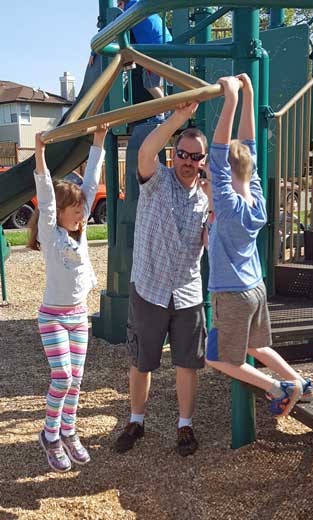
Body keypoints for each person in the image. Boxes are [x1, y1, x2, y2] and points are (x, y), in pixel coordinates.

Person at [204, 74, 313, 418]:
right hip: (255, 288)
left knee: (218, 358)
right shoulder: (257, 198)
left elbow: (220, 150)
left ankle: (277, 388)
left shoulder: (226, 202)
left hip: (233, 292)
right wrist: (249, 94)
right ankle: (301, 383)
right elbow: (248, 146)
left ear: (222, 172)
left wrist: (231, 99)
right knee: (258, 345)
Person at [114, 103, 209, 456]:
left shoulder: (204, 199)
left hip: (186, 292)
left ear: (202, 161)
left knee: (187, 363)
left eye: (195, 157)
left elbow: (211, 241)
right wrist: (179, 118)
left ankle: (185, 426)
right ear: (175, 155)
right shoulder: (157, 181)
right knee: (142, 360)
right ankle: (136, 419)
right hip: (150, 287)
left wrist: (213, 205)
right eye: (182, 154)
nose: (187, 161)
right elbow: (145, 152)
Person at [28, 125, 108, 472]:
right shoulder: (50, 234)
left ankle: (69, 432)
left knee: (76, 380)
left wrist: (100, 141)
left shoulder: (82, 232)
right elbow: (45, 195)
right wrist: (40, 152)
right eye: (74, 210)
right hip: (53, 317)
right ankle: (49, 433)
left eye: (81, 210)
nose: (81, 214)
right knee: (62, 375)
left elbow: (89, 183)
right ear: (59, 213)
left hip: (78, 316)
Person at [117, 0, 172, 112]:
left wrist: (93, 52)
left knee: (149, 84)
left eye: (119, 5)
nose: (119, 9)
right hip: (168, 43)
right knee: (163, 82)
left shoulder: (130, 8)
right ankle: (163, 113)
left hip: (154, 50)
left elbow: (114, 26)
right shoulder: (142, 5)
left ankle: (168, 110)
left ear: (123, 3)